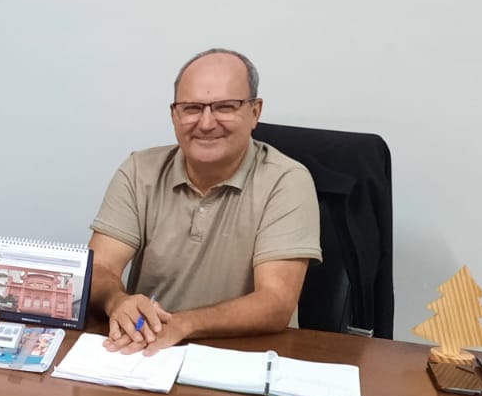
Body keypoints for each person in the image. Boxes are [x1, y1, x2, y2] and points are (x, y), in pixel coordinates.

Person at [87, 48, 321, 355]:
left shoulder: (287, 180)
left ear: (255, 112)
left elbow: (275, 302)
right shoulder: (139, 170)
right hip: (147, 355)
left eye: (225, 107)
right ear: (175, 115)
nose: (207, 123)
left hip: (243, 359)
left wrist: (184, 324)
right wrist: (117, 301)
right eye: (192, 108)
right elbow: (98, 267)